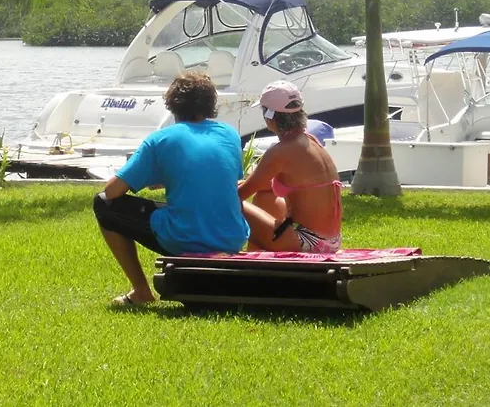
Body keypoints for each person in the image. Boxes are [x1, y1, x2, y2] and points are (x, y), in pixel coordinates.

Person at [93, 70, 250, 306]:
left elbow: (112, 192)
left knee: (103, 204)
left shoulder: (160, 139)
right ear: (210, 103)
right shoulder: (230, 134)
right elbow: (216, 179)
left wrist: (151, 174)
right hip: (232, 238)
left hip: (187, 237)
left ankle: (141, 292)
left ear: (173, 104)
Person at [237, 81, 343, 253]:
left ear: (269, 117)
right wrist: (245, 183)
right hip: (331, 240)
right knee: (265, 197)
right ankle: (256, 257)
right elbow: (264, 184)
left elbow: (239, 196)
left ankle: (247, 261)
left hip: (308, 242)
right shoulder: (310, 140)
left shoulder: (280, 151)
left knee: (231, 203)